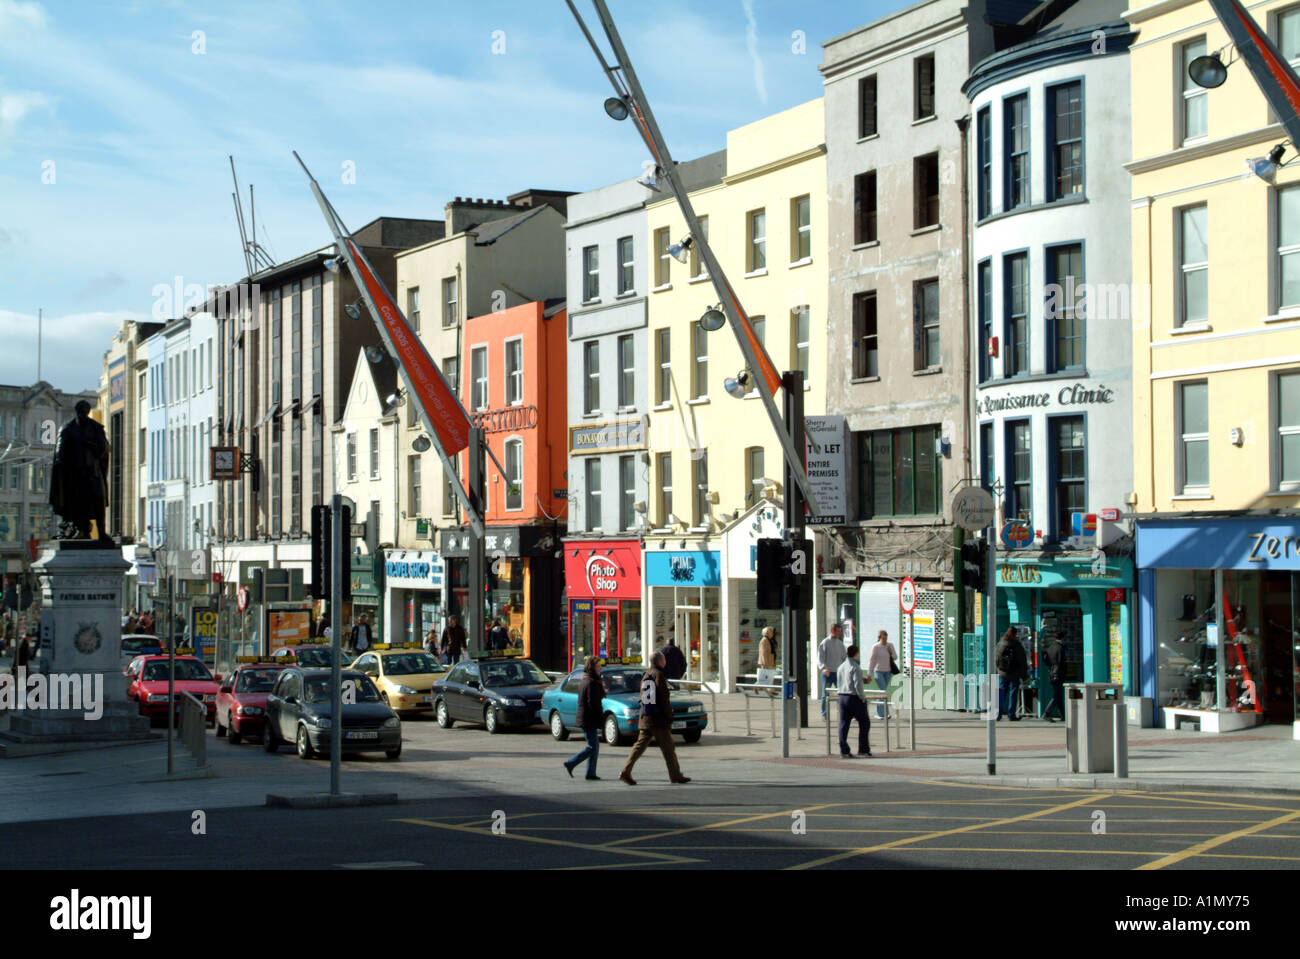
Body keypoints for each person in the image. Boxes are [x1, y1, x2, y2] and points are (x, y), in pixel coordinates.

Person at [619, 650, 690, 786]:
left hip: (646, 717)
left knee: (638, 747)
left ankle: (625, 771)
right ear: (659, 662)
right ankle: (675, 775)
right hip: (658, 720)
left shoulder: (647, 675)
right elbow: (664, 698)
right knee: (669, 749)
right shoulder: (659, 675)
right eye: (663, 659)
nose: (665, 662)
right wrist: (669, 715)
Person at [49, 399, 110, 541]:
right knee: (77, 503)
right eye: (80, 411)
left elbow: (104, 449)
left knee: (98, 501)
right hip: (74, 474)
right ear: (76, 411)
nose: (83, 414)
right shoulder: (67, 428)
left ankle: (100, 531)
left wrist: (92, 445)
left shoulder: (96, 428)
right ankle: (80, 529)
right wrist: (64, 468)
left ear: (88, 412)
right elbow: (59, 453)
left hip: (92, 472)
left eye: (85, 412)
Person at [564, 655, 606, 780]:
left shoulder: (587, 680)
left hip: (586, 718)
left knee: (594, 747)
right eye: (598, 666)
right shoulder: (591, 682)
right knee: (592, 747)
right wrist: (600, 716)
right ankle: (571, 763)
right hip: (589, 719)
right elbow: (593, 703)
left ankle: (591, 772)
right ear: (592, 667)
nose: (600, 669)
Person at [836, 644, 871, 757]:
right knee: (864, 722)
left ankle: (844, 750)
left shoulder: (841, 667)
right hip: (853, 697)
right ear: (856, 654)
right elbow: (857, 685)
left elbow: (844, 680)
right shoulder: (856, 667)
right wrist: (862, 697)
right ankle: (863, 749)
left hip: (842, 696)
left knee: (844, 723)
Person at [995, 628, 1029, 721]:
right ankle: (1011, 714)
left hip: (1003, 673)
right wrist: (1024, 675)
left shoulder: (1001, 643)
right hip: (1015, 673)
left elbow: (996, 658)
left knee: (1001, 694)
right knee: (1013, 694)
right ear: (1014, 634)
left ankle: (998, 714)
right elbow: (1022, 661)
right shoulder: (1017, 645)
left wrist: (999, 669)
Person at [817, 623, 847, 720]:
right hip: (828, 672)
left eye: (840, 631)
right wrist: (824, 668)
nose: (839, 633)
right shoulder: (825, 642)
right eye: (838, 631)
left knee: (842, 693)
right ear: (832, 631)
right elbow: (820, 659)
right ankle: (824, 714)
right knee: (825, 694)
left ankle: (843, 713)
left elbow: (844, 658)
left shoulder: (840, 644)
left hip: (838, 673)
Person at [865, 629, 897, 720]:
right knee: (883, 691)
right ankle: (883, 713)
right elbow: (872, 660)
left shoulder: (890, 645)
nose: (885, 641)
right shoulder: (875, 647)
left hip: (887, 672)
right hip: (878, 671)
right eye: (883, 639)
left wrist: (891, 652)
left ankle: (878, 712)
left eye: (886, 639)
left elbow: (895, 657)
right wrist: (869, 674)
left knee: (882, 692)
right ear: (879, 638)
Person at [1041, 635, 1066, 722]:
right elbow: (1061, 662)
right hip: (1058, 673)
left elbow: (1046, 660)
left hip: (1051, 673)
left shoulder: (1051, 647)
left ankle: (1063, 715)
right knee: (1057, 695)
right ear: (1062, 639)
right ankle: (1046, 713)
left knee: (1058, 695)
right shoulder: (1060, 648)